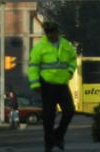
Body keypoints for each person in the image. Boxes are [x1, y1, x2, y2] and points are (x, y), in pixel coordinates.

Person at [29, 21, 77, 152]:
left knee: (69, 111)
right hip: (47, 85)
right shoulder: (40, 47)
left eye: (52, 32)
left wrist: (70, 71)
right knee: (49, 116)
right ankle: (49, 142)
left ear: (57, 31)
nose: (50, 35)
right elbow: (33, 66)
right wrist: (35, 83)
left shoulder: (65, 44)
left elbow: (73, 59)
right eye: (47, 32)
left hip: (62, 84)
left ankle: (58, 135)